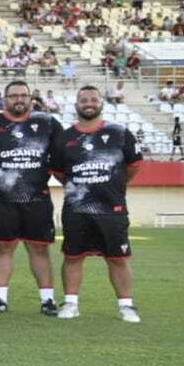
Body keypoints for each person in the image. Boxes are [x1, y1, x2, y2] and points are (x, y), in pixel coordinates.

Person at [50, 85, 143, 323]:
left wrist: (115, 186)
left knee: (118, 258)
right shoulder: (64, 138)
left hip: (112, 209)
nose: (88, 103)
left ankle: (127, 306)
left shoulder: (120, 133)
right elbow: (59, 172)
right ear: (76, 105)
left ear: (101, 103)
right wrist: (81, 188)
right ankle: (70, 303)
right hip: (76, 209)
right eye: (83, 100)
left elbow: (134, 166)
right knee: (73, 256)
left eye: (93, 99)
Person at [0, 79, 61, 315]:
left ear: (30, 98)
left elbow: (63, 156)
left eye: (24, 95)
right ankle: (0, 299)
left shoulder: (48, 123)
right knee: (3, 248)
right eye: (13, 96)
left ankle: (48, 300)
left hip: (38, 199)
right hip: (1, 200)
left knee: (40, 249)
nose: (19, 99)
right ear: (4, 100)